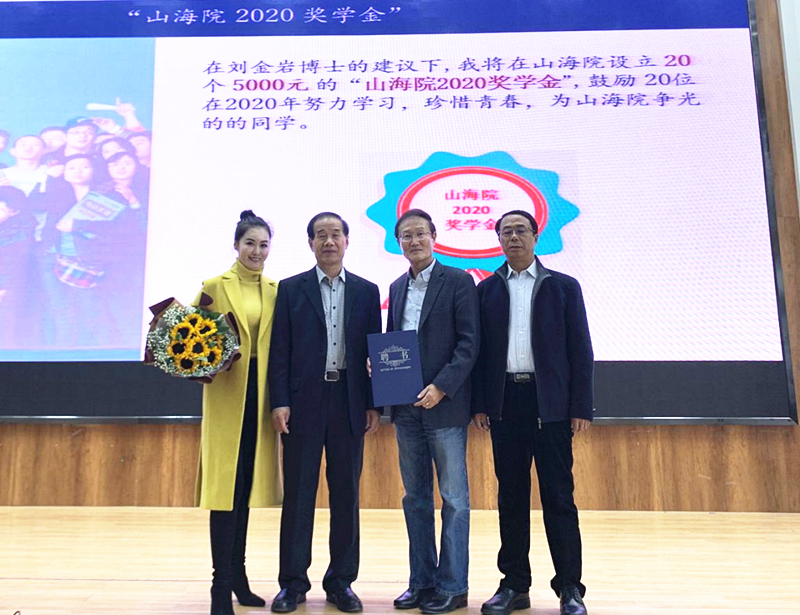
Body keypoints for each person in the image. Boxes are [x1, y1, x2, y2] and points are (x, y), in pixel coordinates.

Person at [471, 210, 594, 615]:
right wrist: (480, 404)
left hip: (550, 405)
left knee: (559, 497)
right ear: (498, 240)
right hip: (506, 403)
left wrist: (579, 405)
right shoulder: (487, 290)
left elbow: (581, 350)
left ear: (536, 236)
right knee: (511, 497)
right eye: (506, 232)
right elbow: (480, 354)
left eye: (520, 230)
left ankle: (570, 587)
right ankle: (514, 585)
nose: (513, 238)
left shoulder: (563, 287)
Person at [268, 212, 381, 614]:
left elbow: (375, 352)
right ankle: (292, 584)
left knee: (346, 495)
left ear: (347, 241)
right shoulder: (291, 289)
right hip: (303, 403)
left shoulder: (367, 292)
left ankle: (341, 582)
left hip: (349, 401)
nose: (329, 241)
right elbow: (279, 350)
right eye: (321, 235)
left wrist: (374, 403)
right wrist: (279, 400)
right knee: (299, 495)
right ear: (311, 243)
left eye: (336, 234)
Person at [386, 209, 480, 614]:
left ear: (434, 236)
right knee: (416, 499)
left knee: (454, 500)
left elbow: (469, 344)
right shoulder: (396, 287)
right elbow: (395, 343)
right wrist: (380, 366)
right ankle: (421, 583)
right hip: (406, 410)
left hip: (444, 408)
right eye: (406, 236)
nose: (414, 241)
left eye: (420, 234)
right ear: (399, 243)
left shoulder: (458, 281)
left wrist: (442, 387)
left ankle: (454, 587)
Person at [194, 210, 282, 615]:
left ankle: (239, 578)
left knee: (244, 491)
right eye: (250, 243)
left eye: (263, 245)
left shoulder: (276, 290)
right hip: (227, 402)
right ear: (236, 245)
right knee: (225, 494)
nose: (257, 251)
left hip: (260, 404)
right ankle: (219, 586)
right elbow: (192, 341)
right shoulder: (214, 286)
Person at [0, 186, 36, 348]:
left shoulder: (17, 236)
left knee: (6, 330)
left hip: (6, 289)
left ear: (14, 212)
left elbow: (14, 266)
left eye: (1, 209)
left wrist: (4, 288)